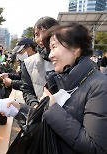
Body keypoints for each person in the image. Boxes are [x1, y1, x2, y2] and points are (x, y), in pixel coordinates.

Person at [39, 23, 107, 153]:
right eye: (50, 49)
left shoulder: (100, 87)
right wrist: (19, 108)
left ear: (75, 49)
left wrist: (52, 109)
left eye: (54, 47)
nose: (50, 55)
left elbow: (96, 148)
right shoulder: (63, 80)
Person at [21, 16, 59, 106]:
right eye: (37, 34)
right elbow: (27, 90)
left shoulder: (71, 60)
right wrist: (34, 104)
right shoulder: (28, 63)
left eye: (46, 32)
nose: (41, 39)